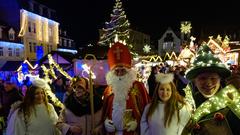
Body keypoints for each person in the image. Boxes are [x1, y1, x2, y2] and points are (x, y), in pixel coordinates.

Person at [182, 44, 240, 135]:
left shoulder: (234, 101)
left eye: (213, 78)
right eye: (202, 78)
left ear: (220, 80)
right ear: (195, 82)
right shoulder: (187, 106)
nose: (208, 83)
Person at [102, 42, 150, 135]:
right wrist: (105, 122)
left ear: (129, 72)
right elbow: (104, 111)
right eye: (117, 71)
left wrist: (138, 123)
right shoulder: (108, 90)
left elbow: (147, 111)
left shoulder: (138, 87)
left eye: (123, 70)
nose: (119, 74)